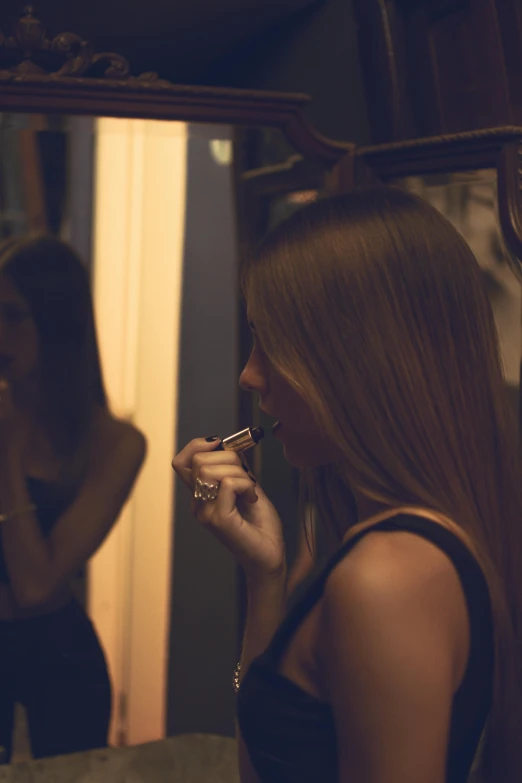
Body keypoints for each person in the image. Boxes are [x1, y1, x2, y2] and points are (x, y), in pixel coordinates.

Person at [171, 187, 522, 783]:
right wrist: (266, 577)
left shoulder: (386, 576)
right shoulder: (396, 545)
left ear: (355, 357)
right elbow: (270, 764)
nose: (250, 374)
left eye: (272, 341)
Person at [0, 235, 146, 762]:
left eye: (14, 316)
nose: (1, 332)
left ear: (57, 324)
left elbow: (37, 585)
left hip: (57, 668)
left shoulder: (115, 445)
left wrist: (9, 451)